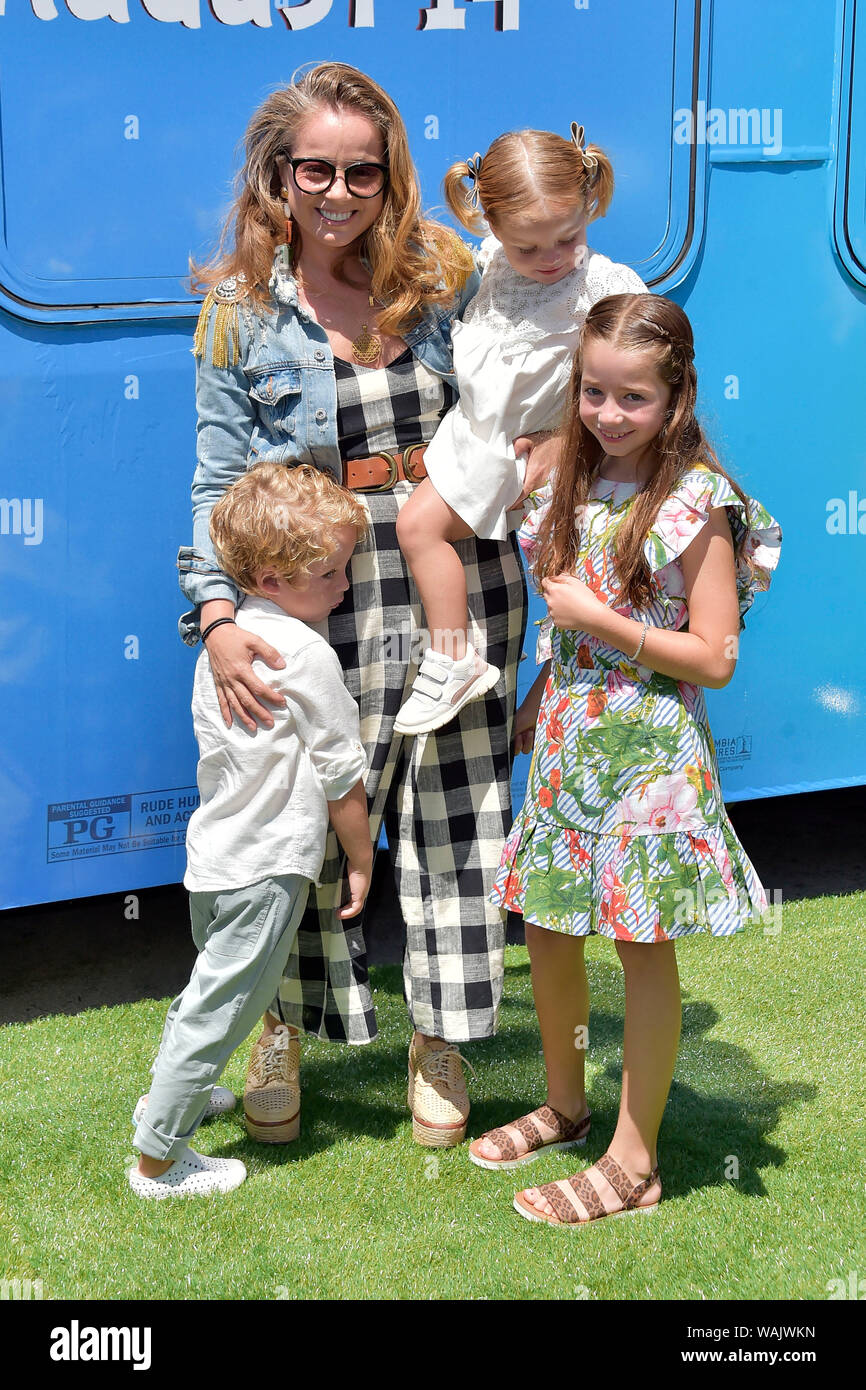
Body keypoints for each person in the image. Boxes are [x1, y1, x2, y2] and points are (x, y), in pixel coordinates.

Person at [177, 63, 539, 1149]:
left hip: (453, 569)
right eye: (315, 170)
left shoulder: (443, 273)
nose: (338, 193)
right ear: (277, 176)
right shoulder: (239, 312)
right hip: (305, 590)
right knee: (297, 812)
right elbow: (215, 483)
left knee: (454, 809)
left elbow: (535, 367)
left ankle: (441, 1038)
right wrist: (218, 615)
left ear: (391, 180)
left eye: (361, 173)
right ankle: (280, 1024)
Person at [473, 294, 781, 1224]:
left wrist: (604, 628)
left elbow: (716, 658)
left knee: (641, 947)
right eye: (593, 392)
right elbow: (570, 632)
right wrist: (539, 702)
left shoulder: (696, 503)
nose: (607, 414)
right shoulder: (570, 479)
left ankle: (635, 1160)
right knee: (549, 927)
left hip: (650, 761)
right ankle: (568, 1105)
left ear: (677, 398)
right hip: (570, 741)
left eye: (632, 399)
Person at [131, 464, 371, 1197]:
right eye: (328, 573)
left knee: (207, 992)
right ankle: (160, 1159)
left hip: (211, 861)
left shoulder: (223, 649)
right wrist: (361, 856)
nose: (343, 586)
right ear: (270, 577)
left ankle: (176, 1095)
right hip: (265, 870)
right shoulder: (306, 654)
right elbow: (339, 770)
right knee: (224, 1007)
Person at [393, 124, 646, 736]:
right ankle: (483, 669)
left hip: (533, 452)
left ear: (590, 204)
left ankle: (458, 659)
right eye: (526, 248)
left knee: (564, 581)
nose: (550, 259)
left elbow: (646, 387)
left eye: (568, 237)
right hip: (478, 436)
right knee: (559, 580)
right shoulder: (488, 266)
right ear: (488, 225)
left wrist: (573, 439)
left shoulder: (606, 288)